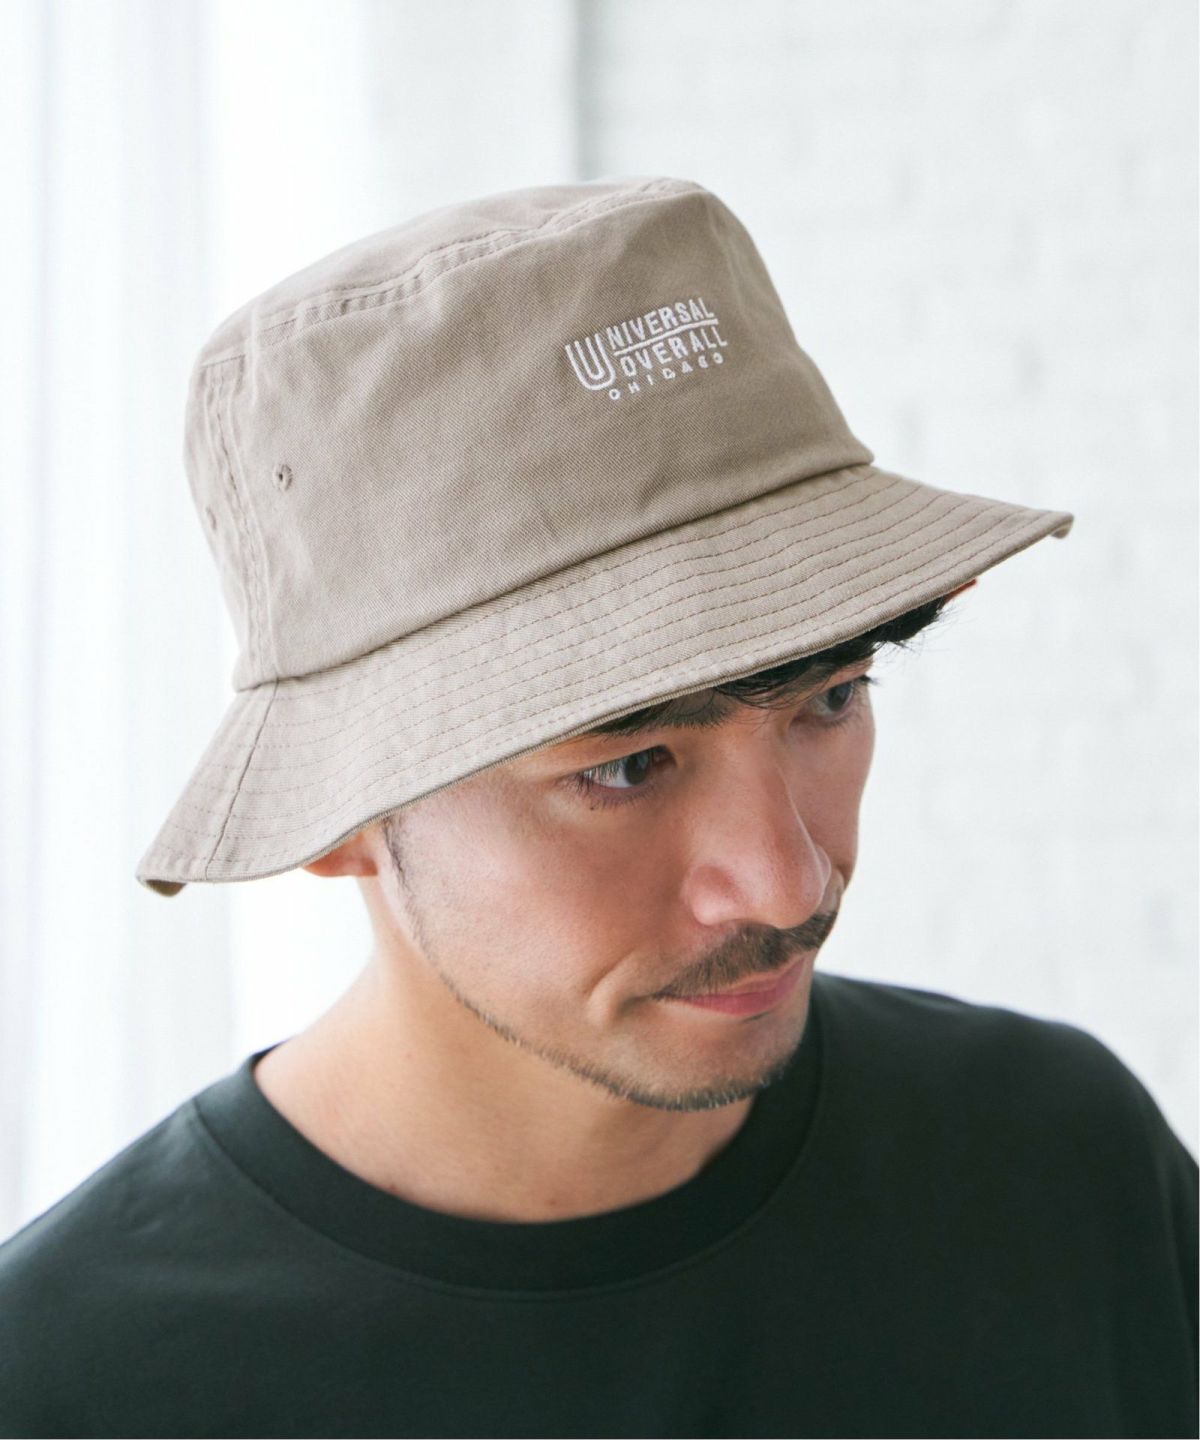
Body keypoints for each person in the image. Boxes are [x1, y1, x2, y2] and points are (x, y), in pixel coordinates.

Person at [0, 176, 1194, 1440]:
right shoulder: (74, 1383)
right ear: (341, 816)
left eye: (831, 697)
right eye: (627, 766)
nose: (788, 882)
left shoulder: (1059, 1163)